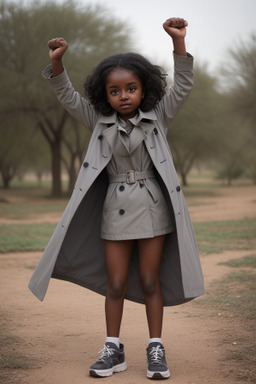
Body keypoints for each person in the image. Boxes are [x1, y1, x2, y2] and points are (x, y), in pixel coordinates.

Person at [29, 17, 204, 380]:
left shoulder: (159, 117)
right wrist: (58, 62)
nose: (123, 96)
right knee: (116, 283)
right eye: (115, 91)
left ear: (144, 90)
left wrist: (179, 42)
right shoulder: (97, 121)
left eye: (131, 88)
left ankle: (156, 347)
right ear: (104, 94)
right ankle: (113, 347)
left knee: (151, 279)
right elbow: (66, 96)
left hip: (154, 208)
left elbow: (184, 85)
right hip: (115, 209)